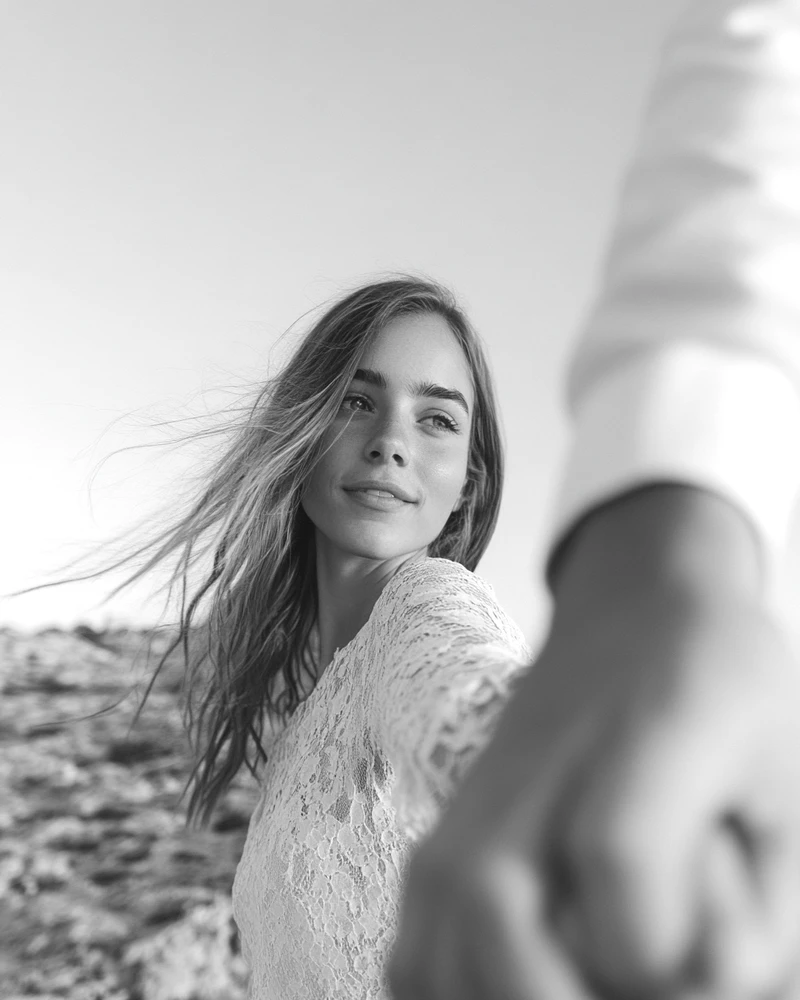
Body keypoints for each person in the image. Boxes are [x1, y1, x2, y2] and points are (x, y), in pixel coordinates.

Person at [385, 0, 800, 998]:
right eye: (354, 400)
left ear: (473, 472)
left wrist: (660, 555)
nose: (389, 441)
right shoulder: (276, 682)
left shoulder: (426, 614)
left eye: (437, 418)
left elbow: (477, 701)